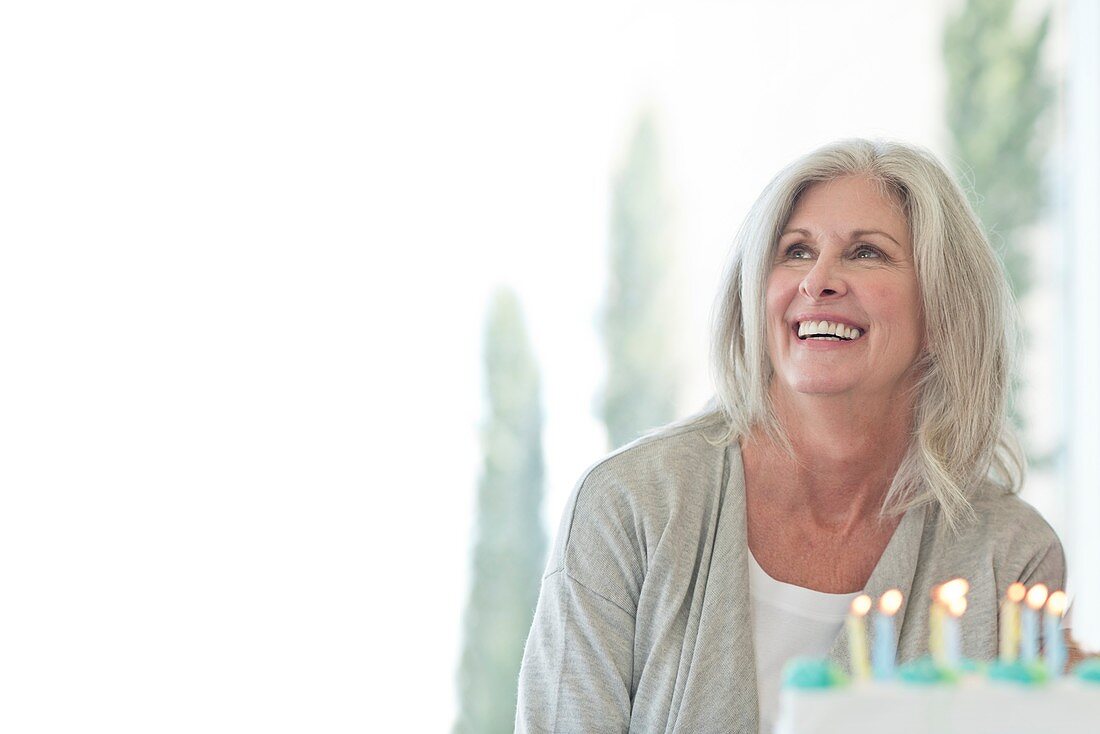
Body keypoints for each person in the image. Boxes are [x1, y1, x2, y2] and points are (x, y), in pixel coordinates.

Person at [514, 139, 1066, 734]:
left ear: (942, 310)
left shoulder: (1010, 558)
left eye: (867, 253)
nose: (819, 281)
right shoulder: (627, 505)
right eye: (796, 251)